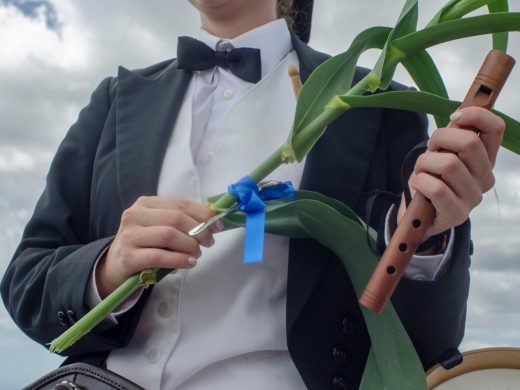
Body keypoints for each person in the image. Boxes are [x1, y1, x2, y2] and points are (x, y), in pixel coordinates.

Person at [0, 0, 505, 389]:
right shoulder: (114, 100)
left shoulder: (378, 104)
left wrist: (433, 237)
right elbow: (27, 282)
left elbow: (420, 345)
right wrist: (106, 270)